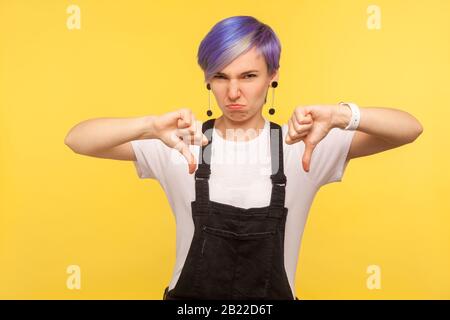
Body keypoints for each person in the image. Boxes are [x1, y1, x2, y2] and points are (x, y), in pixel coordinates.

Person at [64, 15, 423, 300]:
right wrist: (147, 125)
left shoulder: (303, 144)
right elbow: (78, 139)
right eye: (221, 77)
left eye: (249, 76)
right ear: (208, 80)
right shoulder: (179, 142)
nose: (234, 92)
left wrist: (342, 115)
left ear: (273, 76)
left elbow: (409, 128)